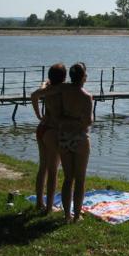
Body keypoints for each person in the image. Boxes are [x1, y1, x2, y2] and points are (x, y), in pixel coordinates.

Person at [57, 63, 93, 223]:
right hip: (80, 138)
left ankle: (66, 215)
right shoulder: (86, 96)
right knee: (80, 179)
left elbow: (58, 113)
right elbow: (88, 122)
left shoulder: (63, 90)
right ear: (83, 77)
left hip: (64, 136)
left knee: (68, 178)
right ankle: (77, 215)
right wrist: (78, 120)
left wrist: (67, 119)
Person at [31, 63, 67, 214]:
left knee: (43, 167)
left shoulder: (47, 89)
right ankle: (49, 206)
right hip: (53, 131)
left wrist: (38, 115)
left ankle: (40, 202)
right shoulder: (63, 89)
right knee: (53, 170)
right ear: (64, 77)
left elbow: (34, 95)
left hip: (42, 128)